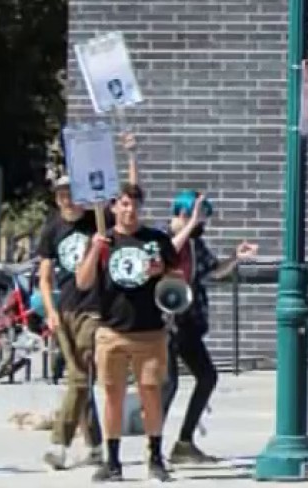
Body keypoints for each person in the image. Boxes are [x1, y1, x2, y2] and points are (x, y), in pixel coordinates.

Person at [77, 183, 180, 483]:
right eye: (123, 204)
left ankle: (156, 456)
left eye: (134, 204)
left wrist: (160, 271)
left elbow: (177, 278)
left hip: (150, 331)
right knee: (112, 395)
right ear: (113, 208)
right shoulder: (102, 240)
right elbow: (83, 283)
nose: (129, 210)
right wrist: (95, 248)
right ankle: (113, 461)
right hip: (111, 330)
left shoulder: (156, 239)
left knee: (151, 393)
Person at [159, 189, 259, 465]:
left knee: (207, 376)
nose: (201, 227)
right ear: (183, 215)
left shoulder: (194, 244)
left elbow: (213, 270)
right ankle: (152, 447)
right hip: (162, 321)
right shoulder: (160, 236)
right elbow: (166, 253)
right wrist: (192, 222)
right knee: (168, 384)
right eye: (199, 220)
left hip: (188, 319)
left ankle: (184, 442)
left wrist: (235, 257)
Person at [39, 175, 104, 471]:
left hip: (92, 308)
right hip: (64, 309)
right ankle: (95, 446)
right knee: (81, 381)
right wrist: (50, 310)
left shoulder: (96, 221)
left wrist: (130, 155)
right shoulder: (52, 228)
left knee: (79, 377)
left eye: (71, 194)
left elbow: (128, 196)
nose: (67, 199)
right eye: (61, 195)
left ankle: (59, 444)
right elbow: (44, 276)